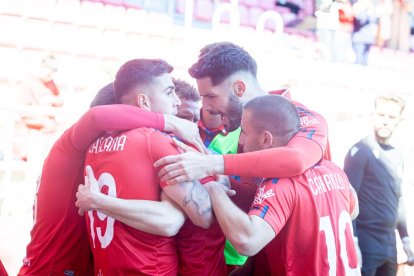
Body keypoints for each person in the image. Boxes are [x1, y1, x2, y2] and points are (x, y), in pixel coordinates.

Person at [154, 41, 330, 271]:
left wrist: (212, 165)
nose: (206, 108)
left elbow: (295, 161)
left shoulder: (305, 119)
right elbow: (259, 202)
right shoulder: (243, 132)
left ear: (239, 88)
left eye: (211, 96)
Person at [18, 86, 203, 275]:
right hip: (52, 269)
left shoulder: (105, 154)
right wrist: (170, 122)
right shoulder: (69, 148)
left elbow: (169, 220)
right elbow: (96, 117)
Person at [82, 58, 226, 275]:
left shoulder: (93, 145)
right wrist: (219, 175)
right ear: (144, 102)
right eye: (169, 92)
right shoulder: (156, 140)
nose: (177, 102)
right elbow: (204, 216)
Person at [204, 94, 359, 275]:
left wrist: (215, 191)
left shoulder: (279, 183)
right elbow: (354, 210)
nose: (240, 141)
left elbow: (247, 241)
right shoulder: (333, 169)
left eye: (244, 132)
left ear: (265, 139)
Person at [344, 94, 414, 275]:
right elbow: (346, 201)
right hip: (365, 243)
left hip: (389, 244)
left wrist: (405, 239)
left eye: (391, 117)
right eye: (381, 115)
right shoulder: (360, 152)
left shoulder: (397, 155)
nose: (385, 121)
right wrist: (354, 242)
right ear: (373, 115)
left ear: (400, 120)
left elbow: (397, 199)